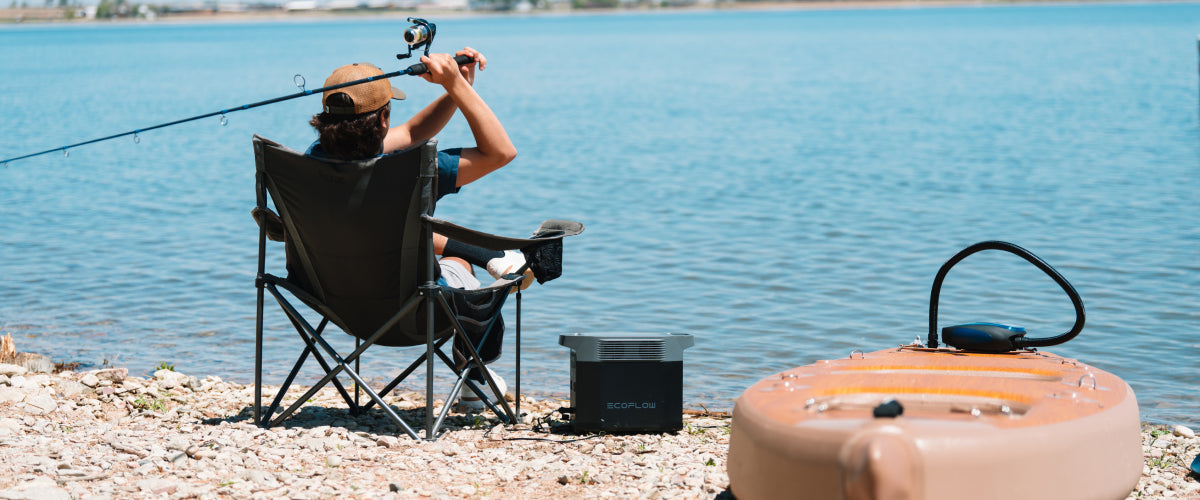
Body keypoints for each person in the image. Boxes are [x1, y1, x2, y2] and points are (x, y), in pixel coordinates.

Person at [305, 48, 524, 410]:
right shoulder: (417, 171)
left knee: (450, 256)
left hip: (337, 307)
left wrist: (458, 87)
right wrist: (456, 85)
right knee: (463, 269)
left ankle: (474, 374)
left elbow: (412, 132)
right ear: (383, 119)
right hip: (417, 315)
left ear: (327, 118)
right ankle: (473, 376)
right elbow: (501, 152)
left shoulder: (313, 161)